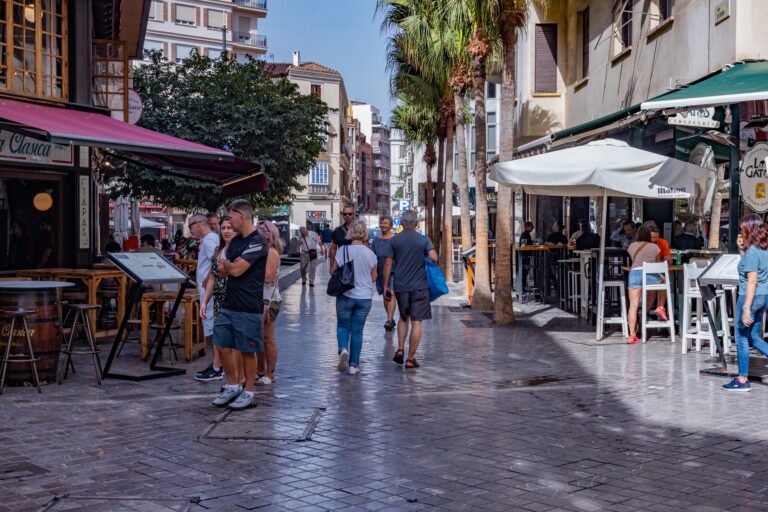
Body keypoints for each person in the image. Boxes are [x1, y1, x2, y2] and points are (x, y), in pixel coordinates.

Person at [211, 199, 268, 410]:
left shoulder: (258, 241)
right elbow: (223, 270)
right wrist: (229, 264)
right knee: (223, 344)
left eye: (230, 217)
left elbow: (234, 270)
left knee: (247, 350)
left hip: (248, 305)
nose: (228, 221)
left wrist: (228, 264)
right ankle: (232, 386)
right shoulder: (235, 242)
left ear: (241, 216)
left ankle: (249, 391)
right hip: (229, 303)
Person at [382, 210, 438, 369]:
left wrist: (386, 285)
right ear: (416, 224)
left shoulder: (394, 241)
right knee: (417, 321)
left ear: (401, 223)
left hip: (400, 286)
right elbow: (434, 258)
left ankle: (400, 349)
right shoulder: (423, 240)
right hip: (419, 286)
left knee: (403, 318)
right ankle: (410, 359)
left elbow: (387, 264)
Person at [723, 215, 768, 391]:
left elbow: (751, 281)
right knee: (754, 337)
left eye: (743, 229)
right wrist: (742, 250)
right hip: (764, 297)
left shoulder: (752, 252)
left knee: (741, 338)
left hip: (750, 297)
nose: (741, 232)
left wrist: (746, 308)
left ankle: (742, 379)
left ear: (749, 230)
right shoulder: (762, 250)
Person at [335, 219, 378, 375]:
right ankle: (353, 365)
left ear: (350, 232)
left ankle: (343, 349)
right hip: (364, 297)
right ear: (365, 233)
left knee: (342, 326)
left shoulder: (343, 251)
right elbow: (373, 278)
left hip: (346, 294)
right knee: (357, 331)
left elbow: (334, 270)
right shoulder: (371, 254)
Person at [188, 213, 223, 382]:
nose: (190, 230)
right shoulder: (211, 239)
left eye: (190, 226)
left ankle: (217, 367)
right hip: (208, 290)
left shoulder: (209, 240)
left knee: (213, 329)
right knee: (212, 328)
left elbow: (216, 261)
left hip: (209, 291)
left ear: (199, 223)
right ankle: (217, 365)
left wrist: (208, 278)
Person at [626, 226, 668, 344]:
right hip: (649, 275)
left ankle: (632, 335)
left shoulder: (631, 246)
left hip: (634, 274)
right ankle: (660, 307)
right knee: (663, 281)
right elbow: (658, 264)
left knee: (633, 306)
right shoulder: (654, 247)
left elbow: (634, 260)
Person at [255, 220, 282, 385]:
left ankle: (269, 374)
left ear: (270, 234)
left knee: (267, 338)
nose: (259, 231)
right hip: (259, 298)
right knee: (259, 338)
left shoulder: (271, 252)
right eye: (257, 228)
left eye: (263, 229)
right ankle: (260, 371)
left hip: (268, 300)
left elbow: (268, 277)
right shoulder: (260, 250)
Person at [371, 215, 398, 331]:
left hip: (394, 269)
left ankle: (388, 319)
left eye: (386, 223)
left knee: (390, 292)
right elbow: (372, 256)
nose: (383, 225)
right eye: (382, 223)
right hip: (380, 269)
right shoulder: (376, 240)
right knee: (384, 295)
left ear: (390, 225)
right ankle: (390, 319)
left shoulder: (396, 238)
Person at [329, 206, 355, 272]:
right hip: (342, 266)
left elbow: (366, 247)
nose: (347, 215)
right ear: (342, 215)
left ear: (353, 214)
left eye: (349, 214)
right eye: (345, 214)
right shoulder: (337, 231)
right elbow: (333, 250)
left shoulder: (359, 229)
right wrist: (331, 266)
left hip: (357, 265)